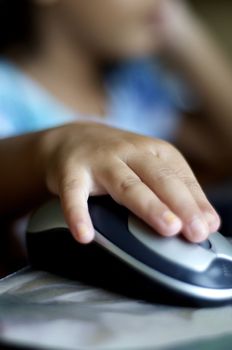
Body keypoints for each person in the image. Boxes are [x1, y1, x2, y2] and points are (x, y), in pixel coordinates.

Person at [1, 0, 230, 253]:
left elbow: (223, 151)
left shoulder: (133, 86)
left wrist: (184, 37)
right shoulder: (8, 93)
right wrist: (54, 147)